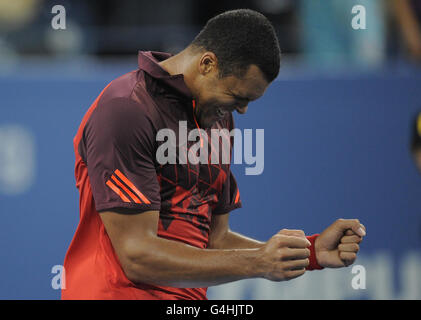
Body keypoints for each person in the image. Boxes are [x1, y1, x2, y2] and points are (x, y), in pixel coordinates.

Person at [62, 9, 366, 300]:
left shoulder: (218, 117)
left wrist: (309, 253)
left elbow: (213, 239)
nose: (243, 110)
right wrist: (259, 262)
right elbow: (136, 256)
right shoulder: (126, 109)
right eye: (238, 97)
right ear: (207, 64)